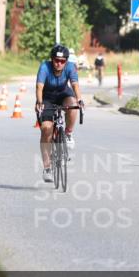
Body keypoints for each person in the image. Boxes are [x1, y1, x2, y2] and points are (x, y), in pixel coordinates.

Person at [35, 44, 84, 183]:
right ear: (52, 59)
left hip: (64, 94)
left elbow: (75, 85)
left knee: (73, 104)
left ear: (66, 61)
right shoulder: (45, 67)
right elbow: (39, 87)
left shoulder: (70, 67)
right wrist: (39, 102)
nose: (59, 64)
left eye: (62, 61)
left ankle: (68, 133)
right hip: (47, 97)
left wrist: (79, 99)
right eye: (56, 60)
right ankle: (47, 168)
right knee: (46, 130)